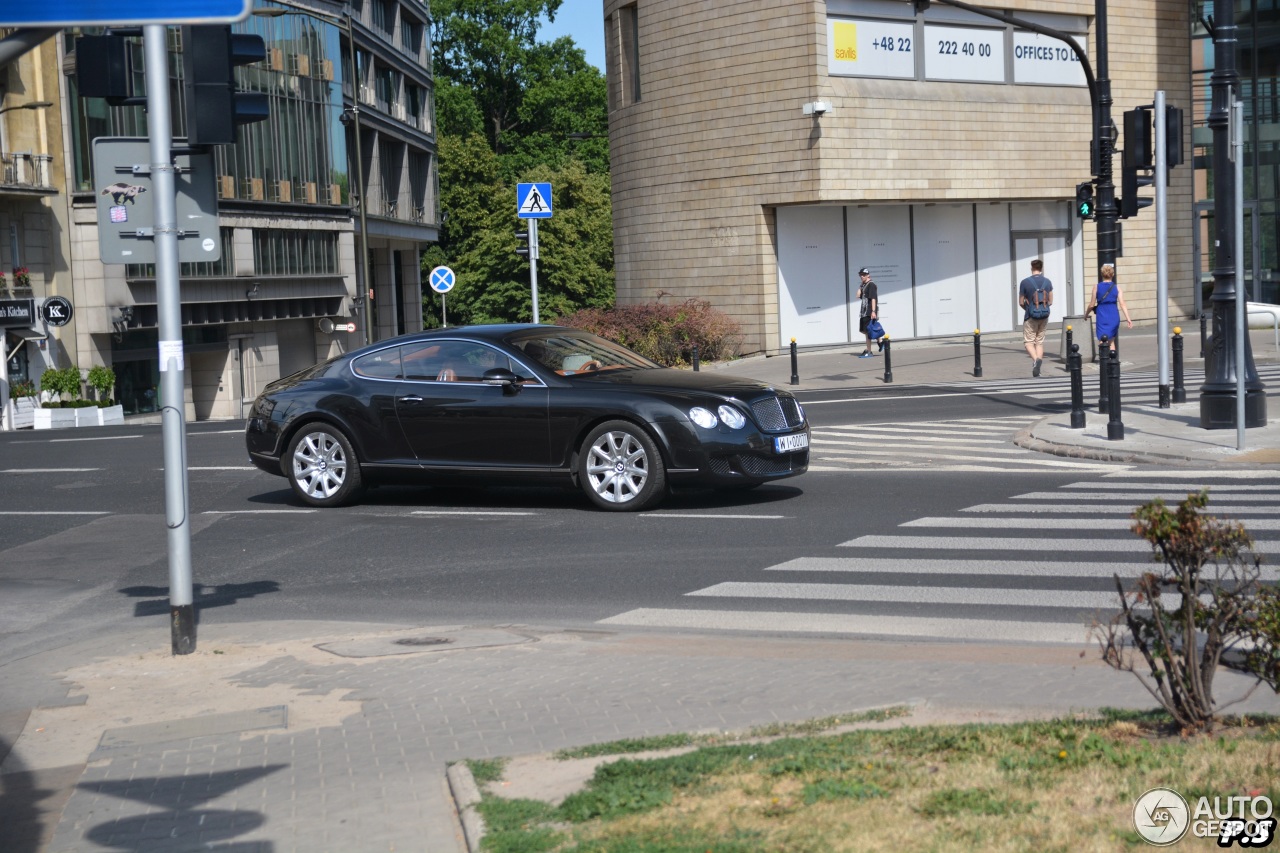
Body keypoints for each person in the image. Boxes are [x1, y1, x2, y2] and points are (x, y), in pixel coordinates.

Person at [1017, 259, 1053, 377]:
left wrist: (1028, 308)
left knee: (1028, 342)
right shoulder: (1047, 282)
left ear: (1031, 268)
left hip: (1030, 316)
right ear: (1041, 268)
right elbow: (1050, 301)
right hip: (1044, 316)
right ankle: (1038, 368)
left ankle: (1036, 360)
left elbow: (1021, 302)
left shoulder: (1025, 282)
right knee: (1039, 342)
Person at [1085, 263, 1132, 353]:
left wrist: (1086, 315)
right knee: (1110, 341)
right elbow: (1123, 304)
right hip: (1113, 316)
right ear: (1112, 275)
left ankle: (1104, 363)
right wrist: (1128, 319)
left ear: (1102, 274)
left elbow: (1091, 305)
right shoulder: (1117, 287)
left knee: (1102, 341)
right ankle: (1112, 362)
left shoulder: (1096, 287)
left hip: (1102, 316)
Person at [856, 267, 878, 358]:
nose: (862, 276)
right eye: (861, 275)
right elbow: (857, 295)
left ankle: (869, 351)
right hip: (863, 312)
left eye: (864, 275)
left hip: (869, 311)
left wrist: (873, 311)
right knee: (864, 331)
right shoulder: (864, 285)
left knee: (868, 331)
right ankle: (880, 341)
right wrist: (861, 285)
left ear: (868, 275)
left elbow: (873, 298)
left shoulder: (871, 285)